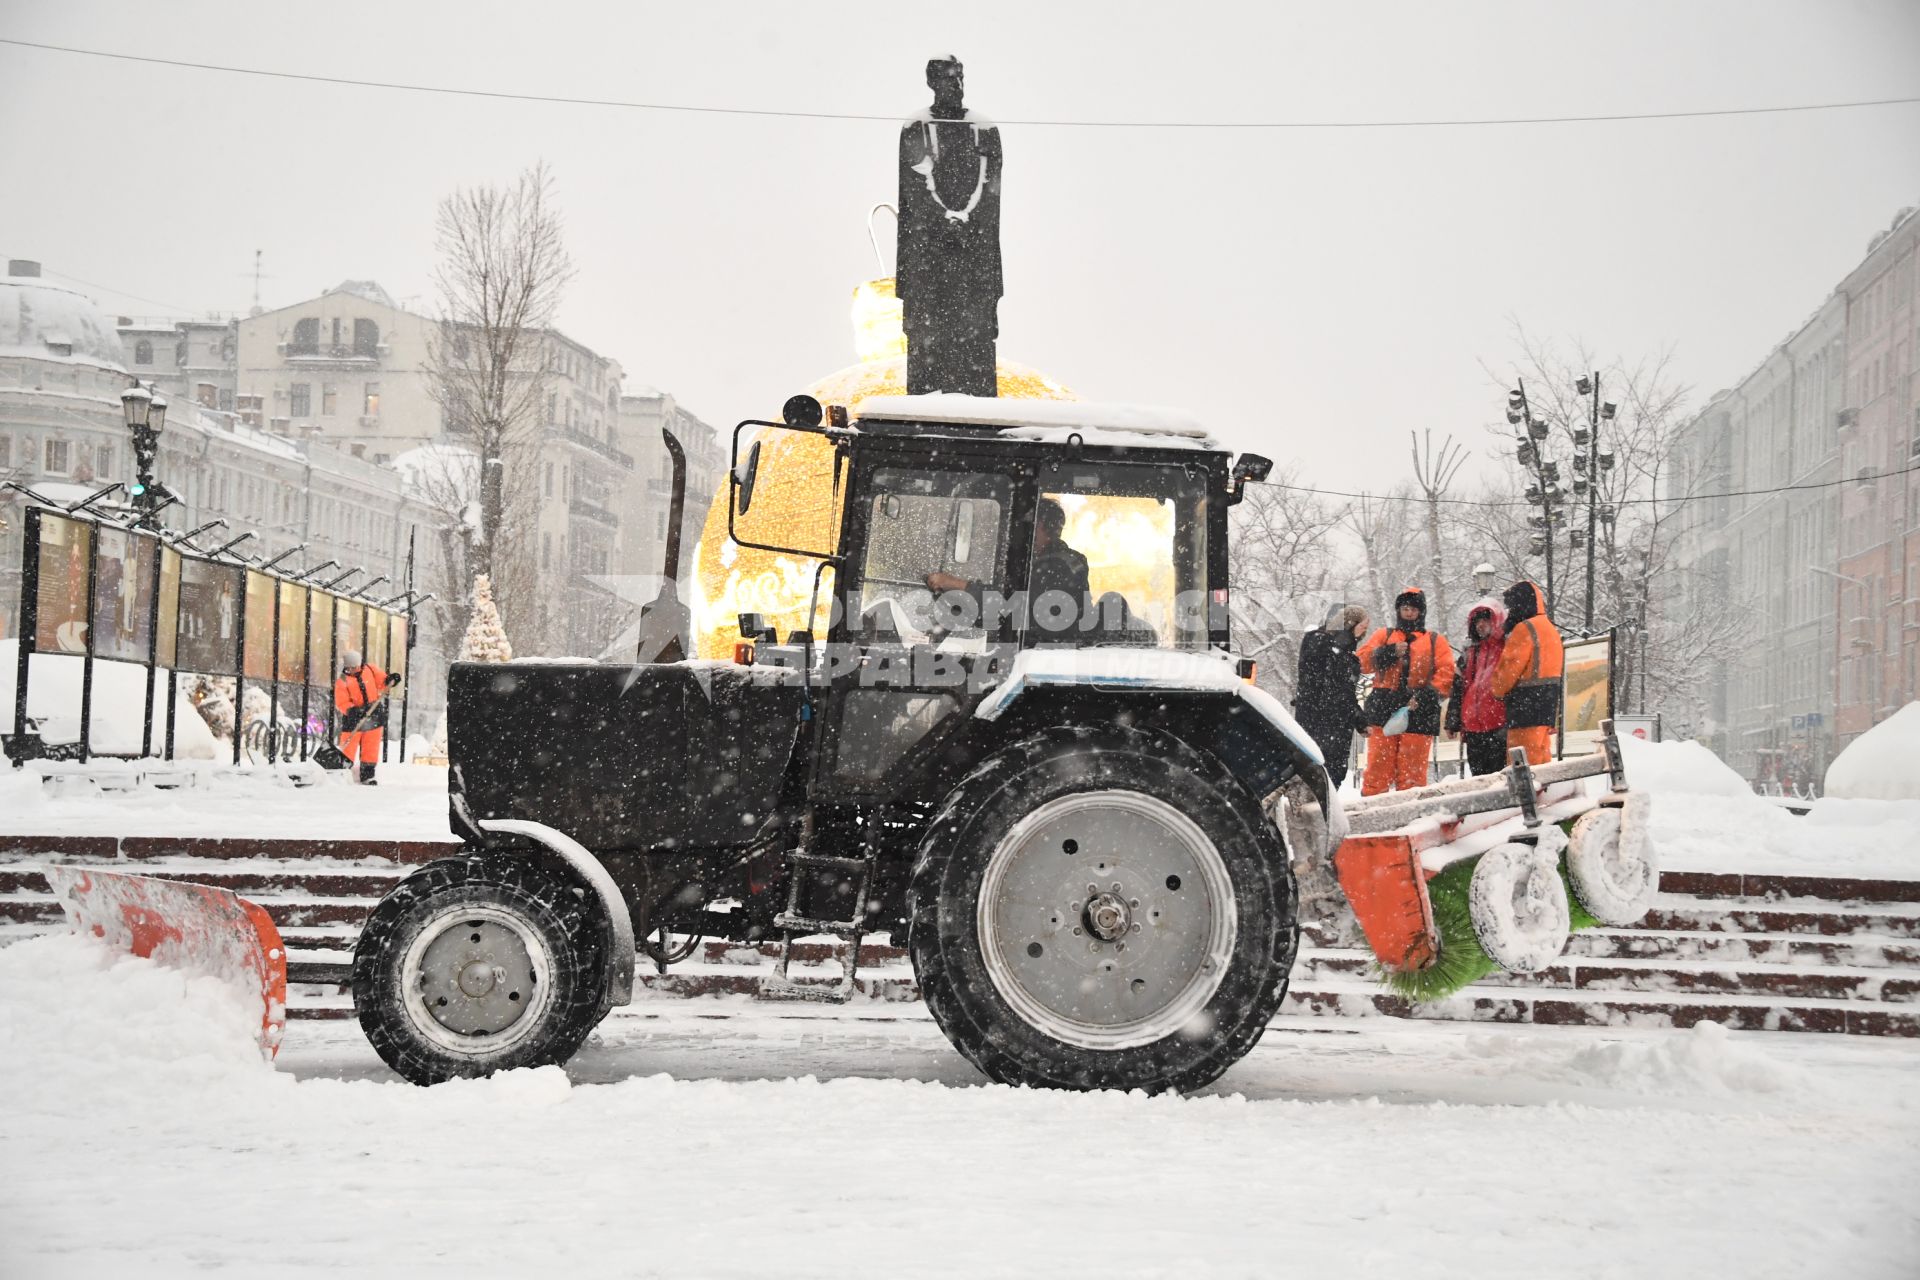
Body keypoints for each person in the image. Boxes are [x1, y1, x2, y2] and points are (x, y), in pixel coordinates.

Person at [927, 497, 1090, 641]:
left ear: (1038, 525)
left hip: (1039, 655)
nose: (1018, 533)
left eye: (1025, 525)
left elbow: (1010, 606)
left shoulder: (1057, 567)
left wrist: (956, 584)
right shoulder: (1052, 562)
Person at [1356, 587, 1457, 796]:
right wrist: (1388, 652)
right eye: (1405, 608)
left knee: (1412, 772)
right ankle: (1372, 810)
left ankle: (1411, 811)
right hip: (1383, 706)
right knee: (1377, 769)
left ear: (1422, 612)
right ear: (1398, 610)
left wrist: (1429, 694)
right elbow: (1361, 662)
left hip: (1419, 709)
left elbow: (1446, 672)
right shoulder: (1384, 635)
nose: (1409, 613)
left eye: (1413, 609)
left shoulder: (1435, 640)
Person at [1293, 603, 1369, 788]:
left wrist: (1359, 719)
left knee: (1327, 775)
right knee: (1322, 775)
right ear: (1350, 624)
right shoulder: (1325, 645)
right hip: (1326, 725)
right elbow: (1336, 691)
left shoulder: (1342, 651)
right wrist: (1357, 717)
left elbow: (1343, 693)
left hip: (1330, 726)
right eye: (1362, 626)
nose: (1364, 631)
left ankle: (1321, 811)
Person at [1490, 580, 1564, 765]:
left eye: (1512, 606)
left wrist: (1497, 689)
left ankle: (1528, 794)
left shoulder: (1524, 629)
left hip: (1525, 706)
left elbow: (1509, 669)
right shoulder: (1549, 628)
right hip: (1546, 706)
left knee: (1522, 764)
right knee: (1541, 758)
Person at [1445, 602, 1509, 776]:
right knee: (1480, 779)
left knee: (1500, 778)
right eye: (1477, 621)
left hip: (1499, 726)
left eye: (1486, 620)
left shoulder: (1506, 647)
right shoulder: (1469, 653)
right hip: (1473, 728)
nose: (1480, 625)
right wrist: (1453, 719)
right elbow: (1458, 688)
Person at [334, 649, 397, 785]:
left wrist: (391, 679)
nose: (353, 670)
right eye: (350, 668)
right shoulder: (342, 681)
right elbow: (341, 702)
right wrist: (353, 710)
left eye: (355, 667)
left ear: (360, 664)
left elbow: (383, 682)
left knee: (371, 747)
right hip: (353, 718)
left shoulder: (370, 669)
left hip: (373, 714)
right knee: (348, 746)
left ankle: (367, 774)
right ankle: (342, 773)